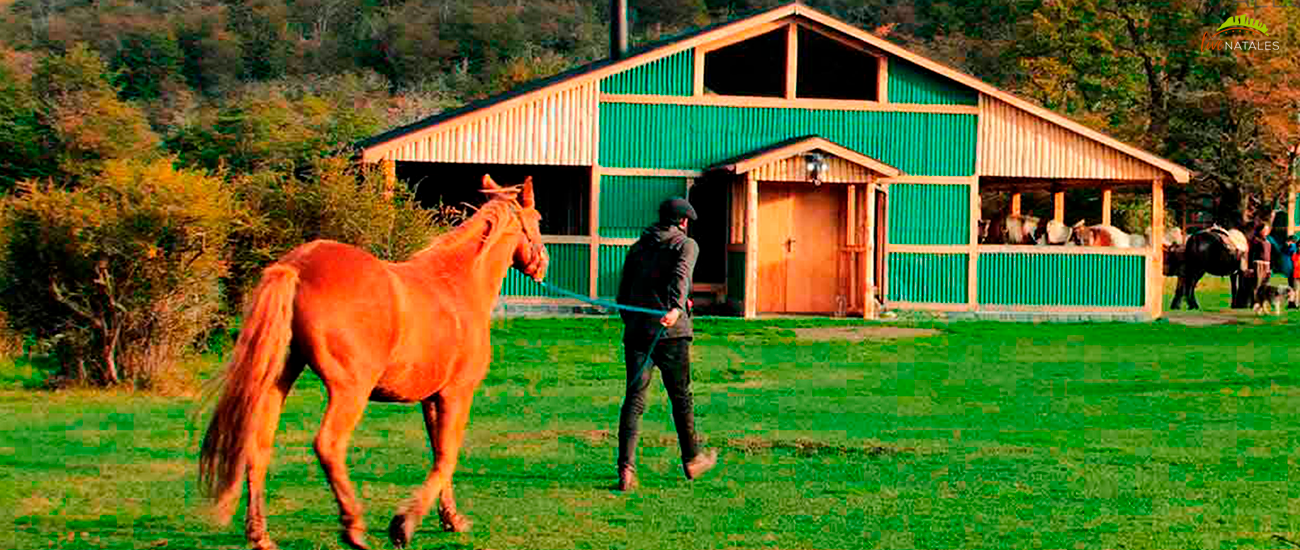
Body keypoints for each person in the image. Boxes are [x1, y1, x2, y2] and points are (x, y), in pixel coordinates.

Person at [613, 196, 718, 492]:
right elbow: (681, 276)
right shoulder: (686, 245)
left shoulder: (637, 247)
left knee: (634, 399)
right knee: (681, 398)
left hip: (637, 332)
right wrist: (675, 308)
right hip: (672, 333)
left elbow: (622, 294)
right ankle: (692, 460)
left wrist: (634, 322)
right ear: (682, 221)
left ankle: (626, 469)